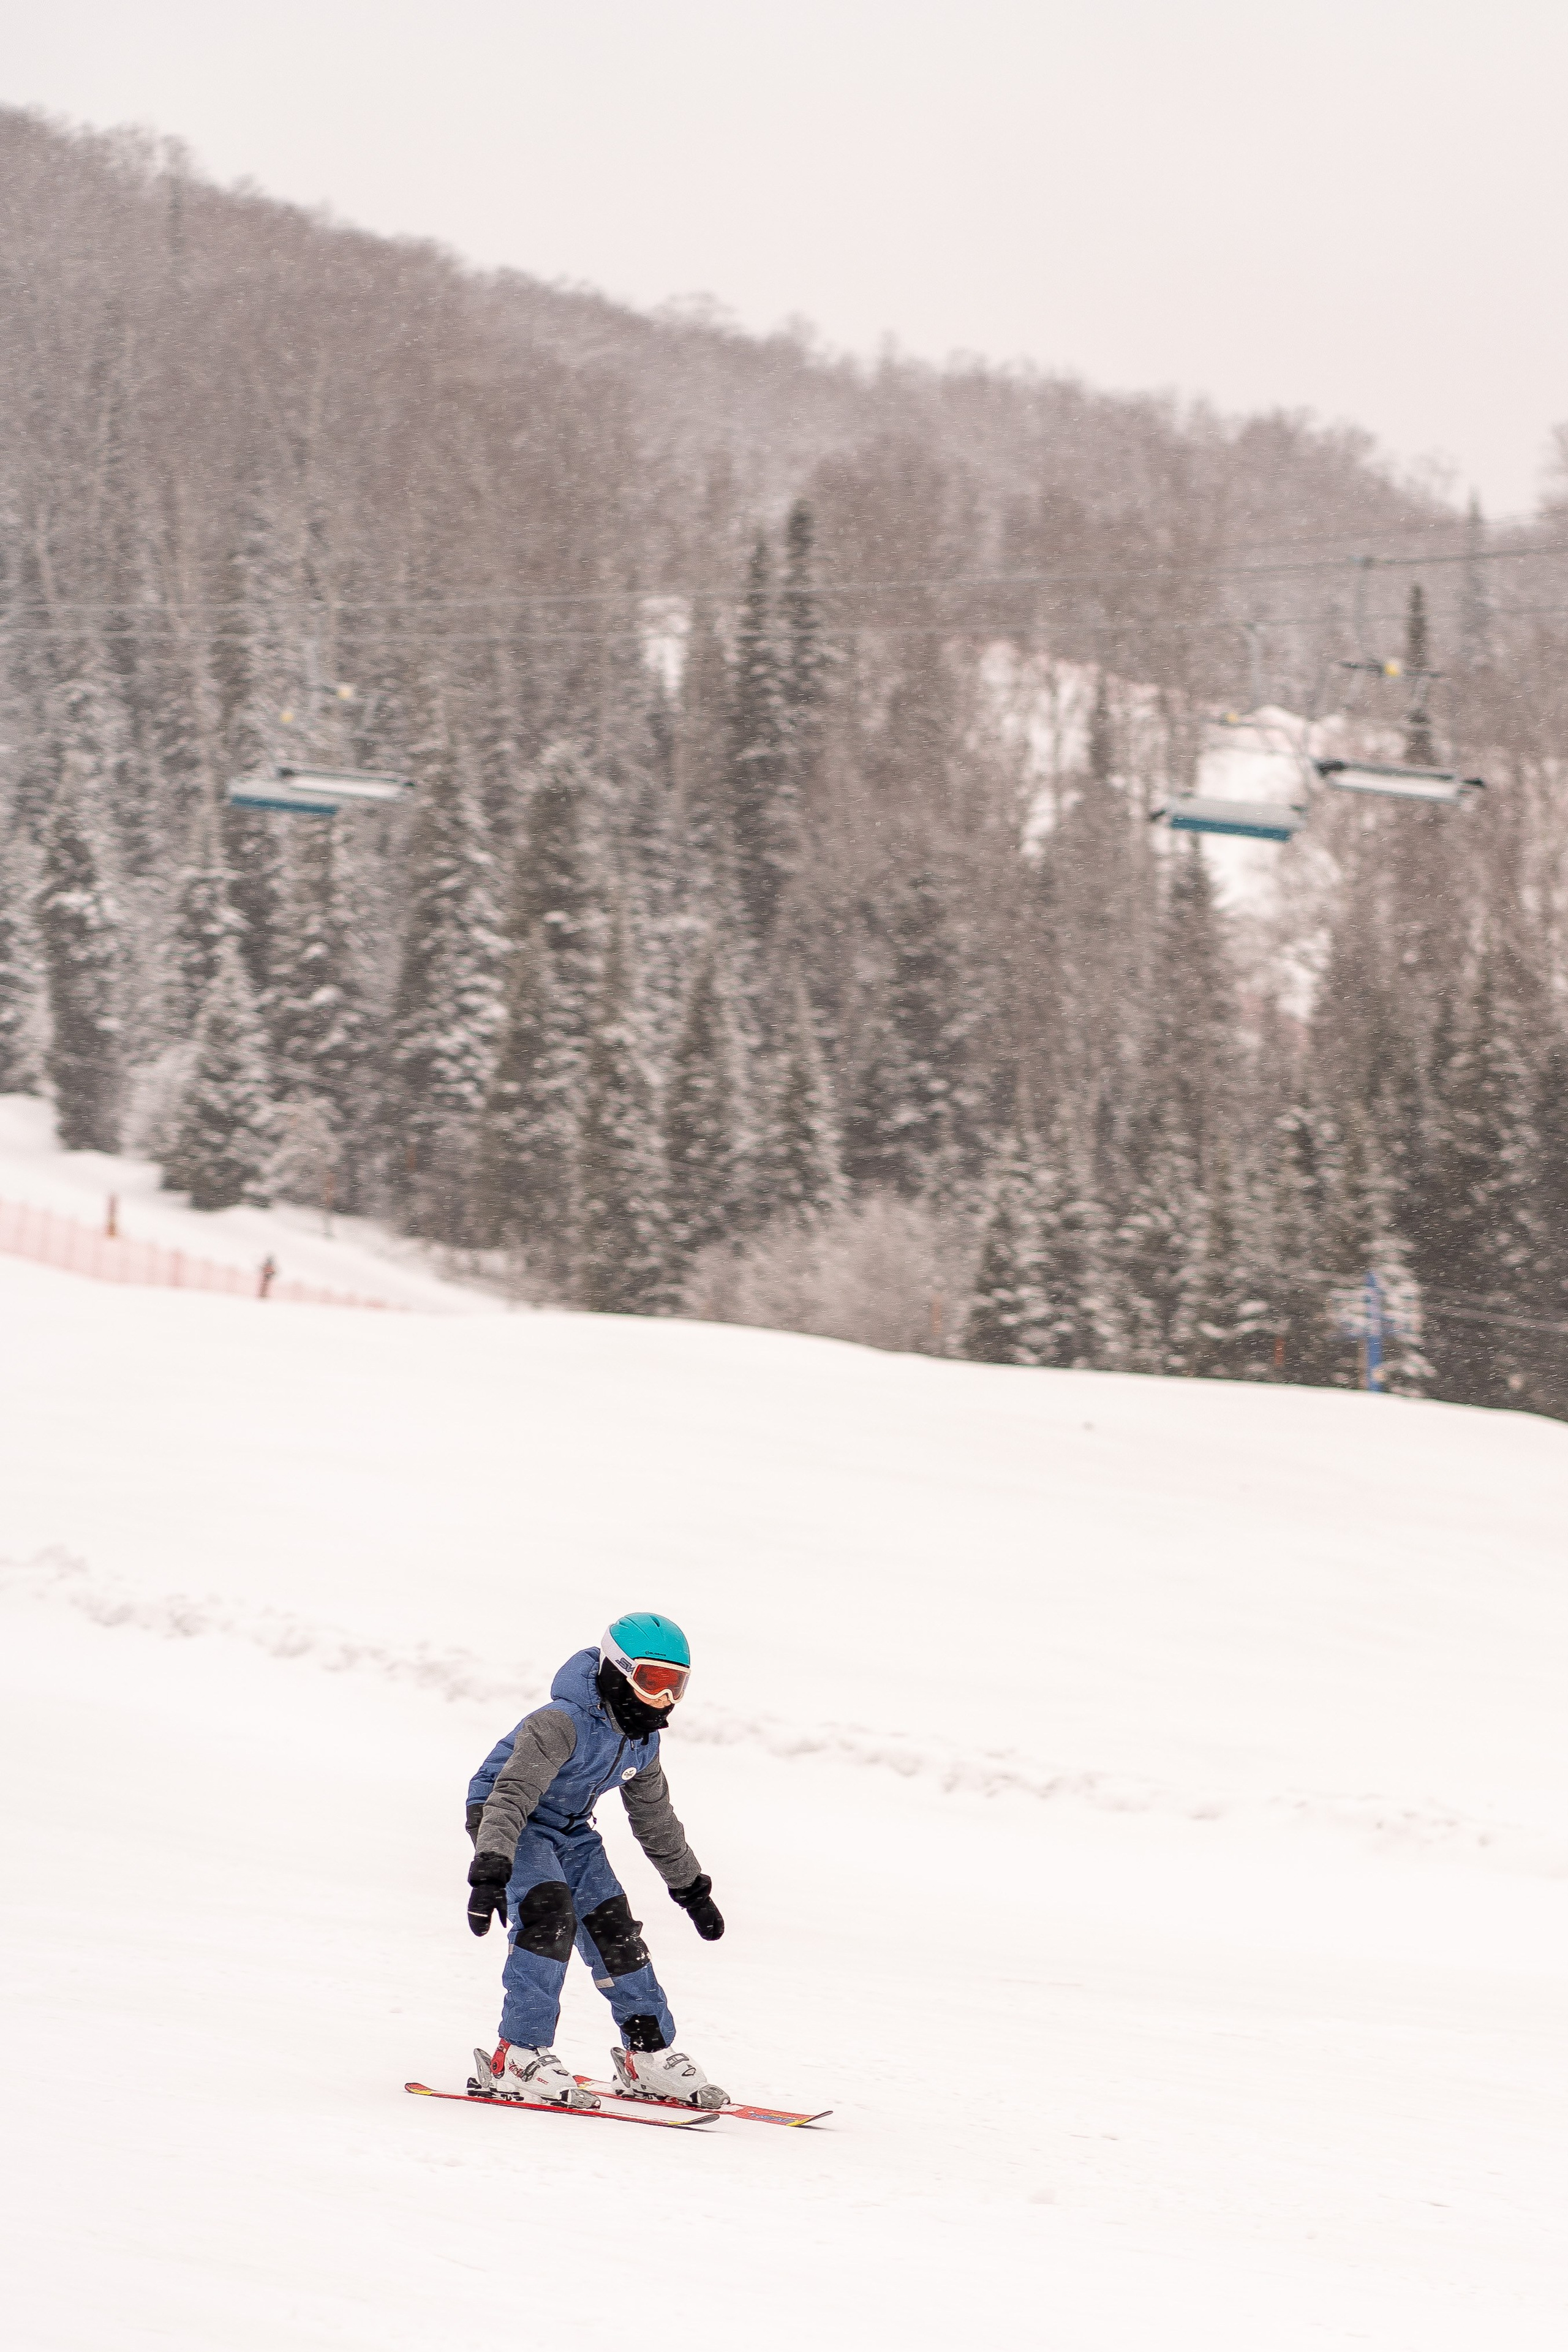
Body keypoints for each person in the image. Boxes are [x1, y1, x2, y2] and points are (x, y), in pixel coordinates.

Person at [464, 1612, 728, 2110]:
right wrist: (491, 1867)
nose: (663, 1699)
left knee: (614, 1927)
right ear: (617, 1670)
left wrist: (691, 1889)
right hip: (509, 1818)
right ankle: (516, 2055)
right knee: (549, 1914)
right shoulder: (560, 1723)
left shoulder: (641, 1739)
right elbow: (511, 1795)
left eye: (676, 1686)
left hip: (570, 1827)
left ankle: (645, 2056)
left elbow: (655, 1820)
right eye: (653, 1681)